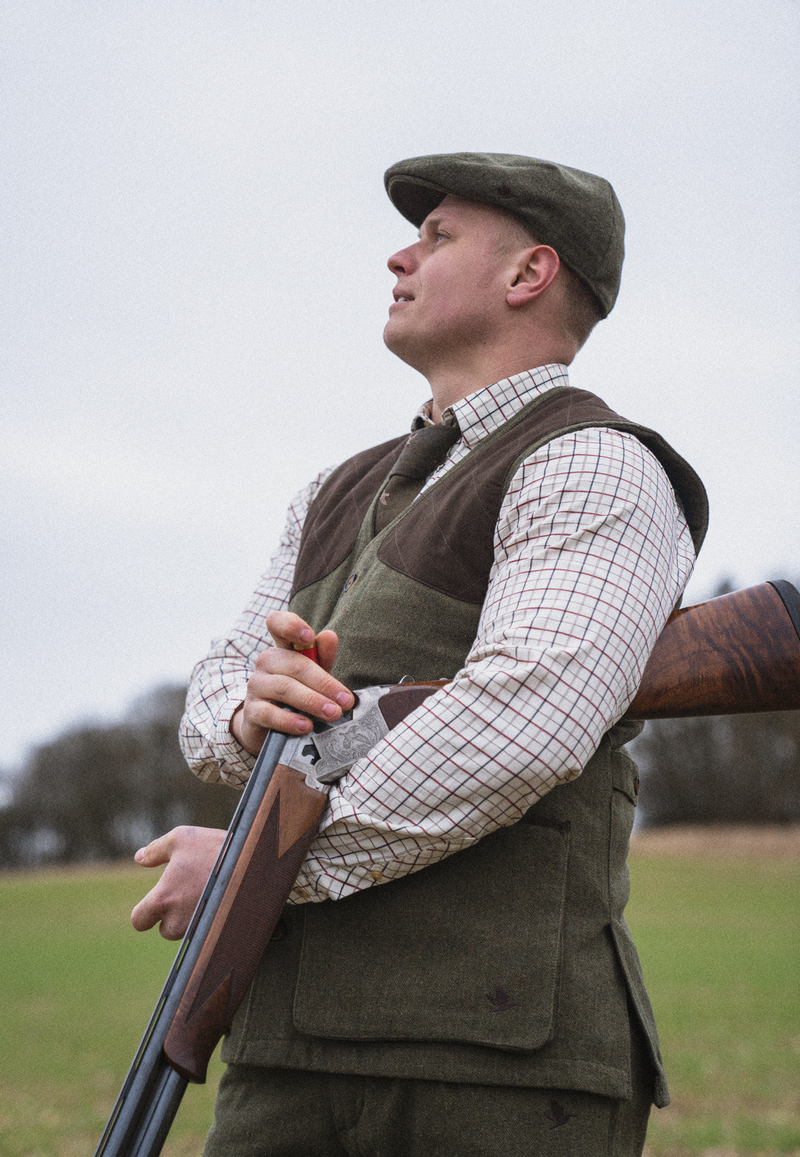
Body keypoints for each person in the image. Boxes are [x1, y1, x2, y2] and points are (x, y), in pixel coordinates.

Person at [132, 152, 708, 1156]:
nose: (398, 255)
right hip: (286, 1053)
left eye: (436, 237)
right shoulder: (332, 488)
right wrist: (250, 711)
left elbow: (517, 730)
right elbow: (213, 706)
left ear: (526, 275)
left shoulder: (589, 461)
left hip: (494, 1070)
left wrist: (252, 875)